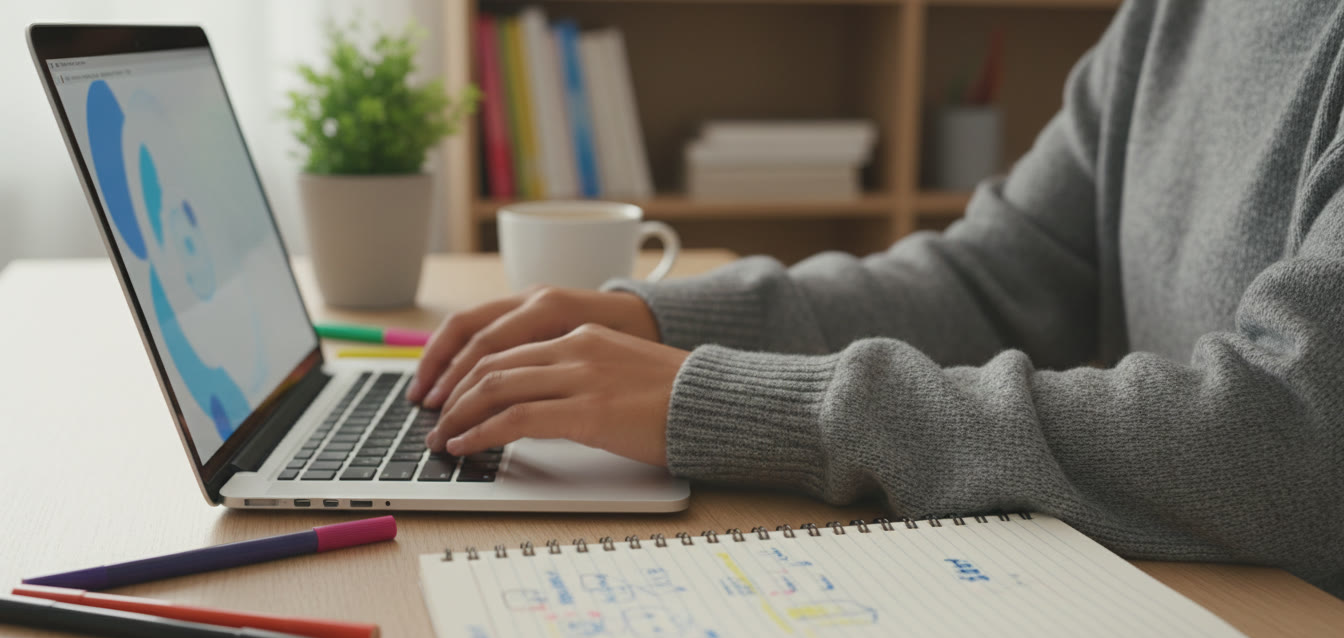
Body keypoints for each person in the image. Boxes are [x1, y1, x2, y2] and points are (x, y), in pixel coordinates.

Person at [408, 0, 1344, 598]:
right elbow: (996, 275)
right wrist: (665, 324)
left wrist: (736, 402)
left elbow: (1293, 439)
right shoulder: (1174, 17)